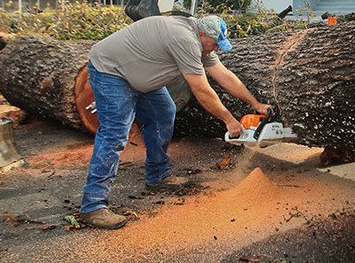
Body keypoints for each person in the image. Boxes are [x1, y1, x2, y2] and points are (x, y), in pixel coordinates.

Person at [79, 15, 271, 229]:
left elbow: (224, 75)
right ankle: (93, 206)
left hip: (140, 76)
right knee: (115, 133)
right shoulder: (185, 39)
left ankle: (158, 176)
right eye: (215, 44)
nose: (216, 49)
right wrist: (229, 120)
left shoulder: (202, 43)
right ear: (202, 34)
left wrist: (256, 104)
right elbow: (201, 89)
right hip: (111, 71)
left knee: (164, 113)